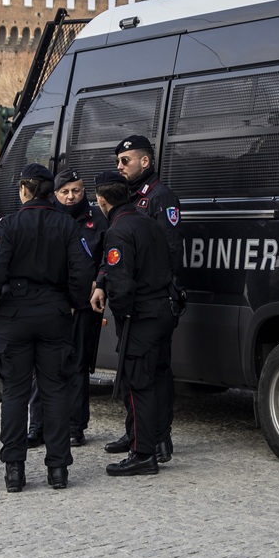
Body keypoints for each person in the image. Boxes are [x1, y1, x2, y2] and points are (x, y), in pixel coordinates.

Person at [0, 163, 92, 492]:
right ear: (49, 191)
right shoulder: (67, 225)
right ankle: (58, 469)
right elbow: (82, 270)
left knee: (14, 393)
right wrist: (73, 302)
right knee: (55, 391)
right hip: (55, 312)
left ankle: (15, 470)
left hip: (15, 313)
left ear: (24, 190)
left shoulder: (9, 225)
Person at [91, 171, 175, 477]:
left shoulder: (118, 231)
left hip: (140, 315)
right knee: (157, 377)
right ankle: (158, 442)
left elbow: (121, 283)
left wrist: (121, 312)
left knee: (138, 383)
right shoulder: (148, 222)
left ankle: (143, 454)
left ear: (102, 201)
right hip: (162, 309)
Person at [115, 134, 182, 461]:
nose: (120, 167)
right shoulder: (128, 199)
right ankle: (135, 433)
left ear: (145, 161)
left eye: (125, 161)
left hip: (152, 301)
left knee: (155, 370)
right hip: (133, 301)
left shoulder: (160, 197)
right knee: (134, 371)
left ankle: (159, 438)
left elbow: (169, 251)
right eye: (117, 162)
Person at [56, 169, 108, 446]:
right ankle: (38, 425)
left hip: (84, 305)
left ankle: (76, 426)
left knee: (77, 365)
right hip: (52, 303)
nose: (70, 196)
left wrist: (100, 282)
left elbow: (108, 257)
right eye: (64, 191)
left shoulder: (97, 220)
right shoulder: (48, 217)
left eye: (75, 190)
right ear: (55, 194)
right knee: (44, 365)